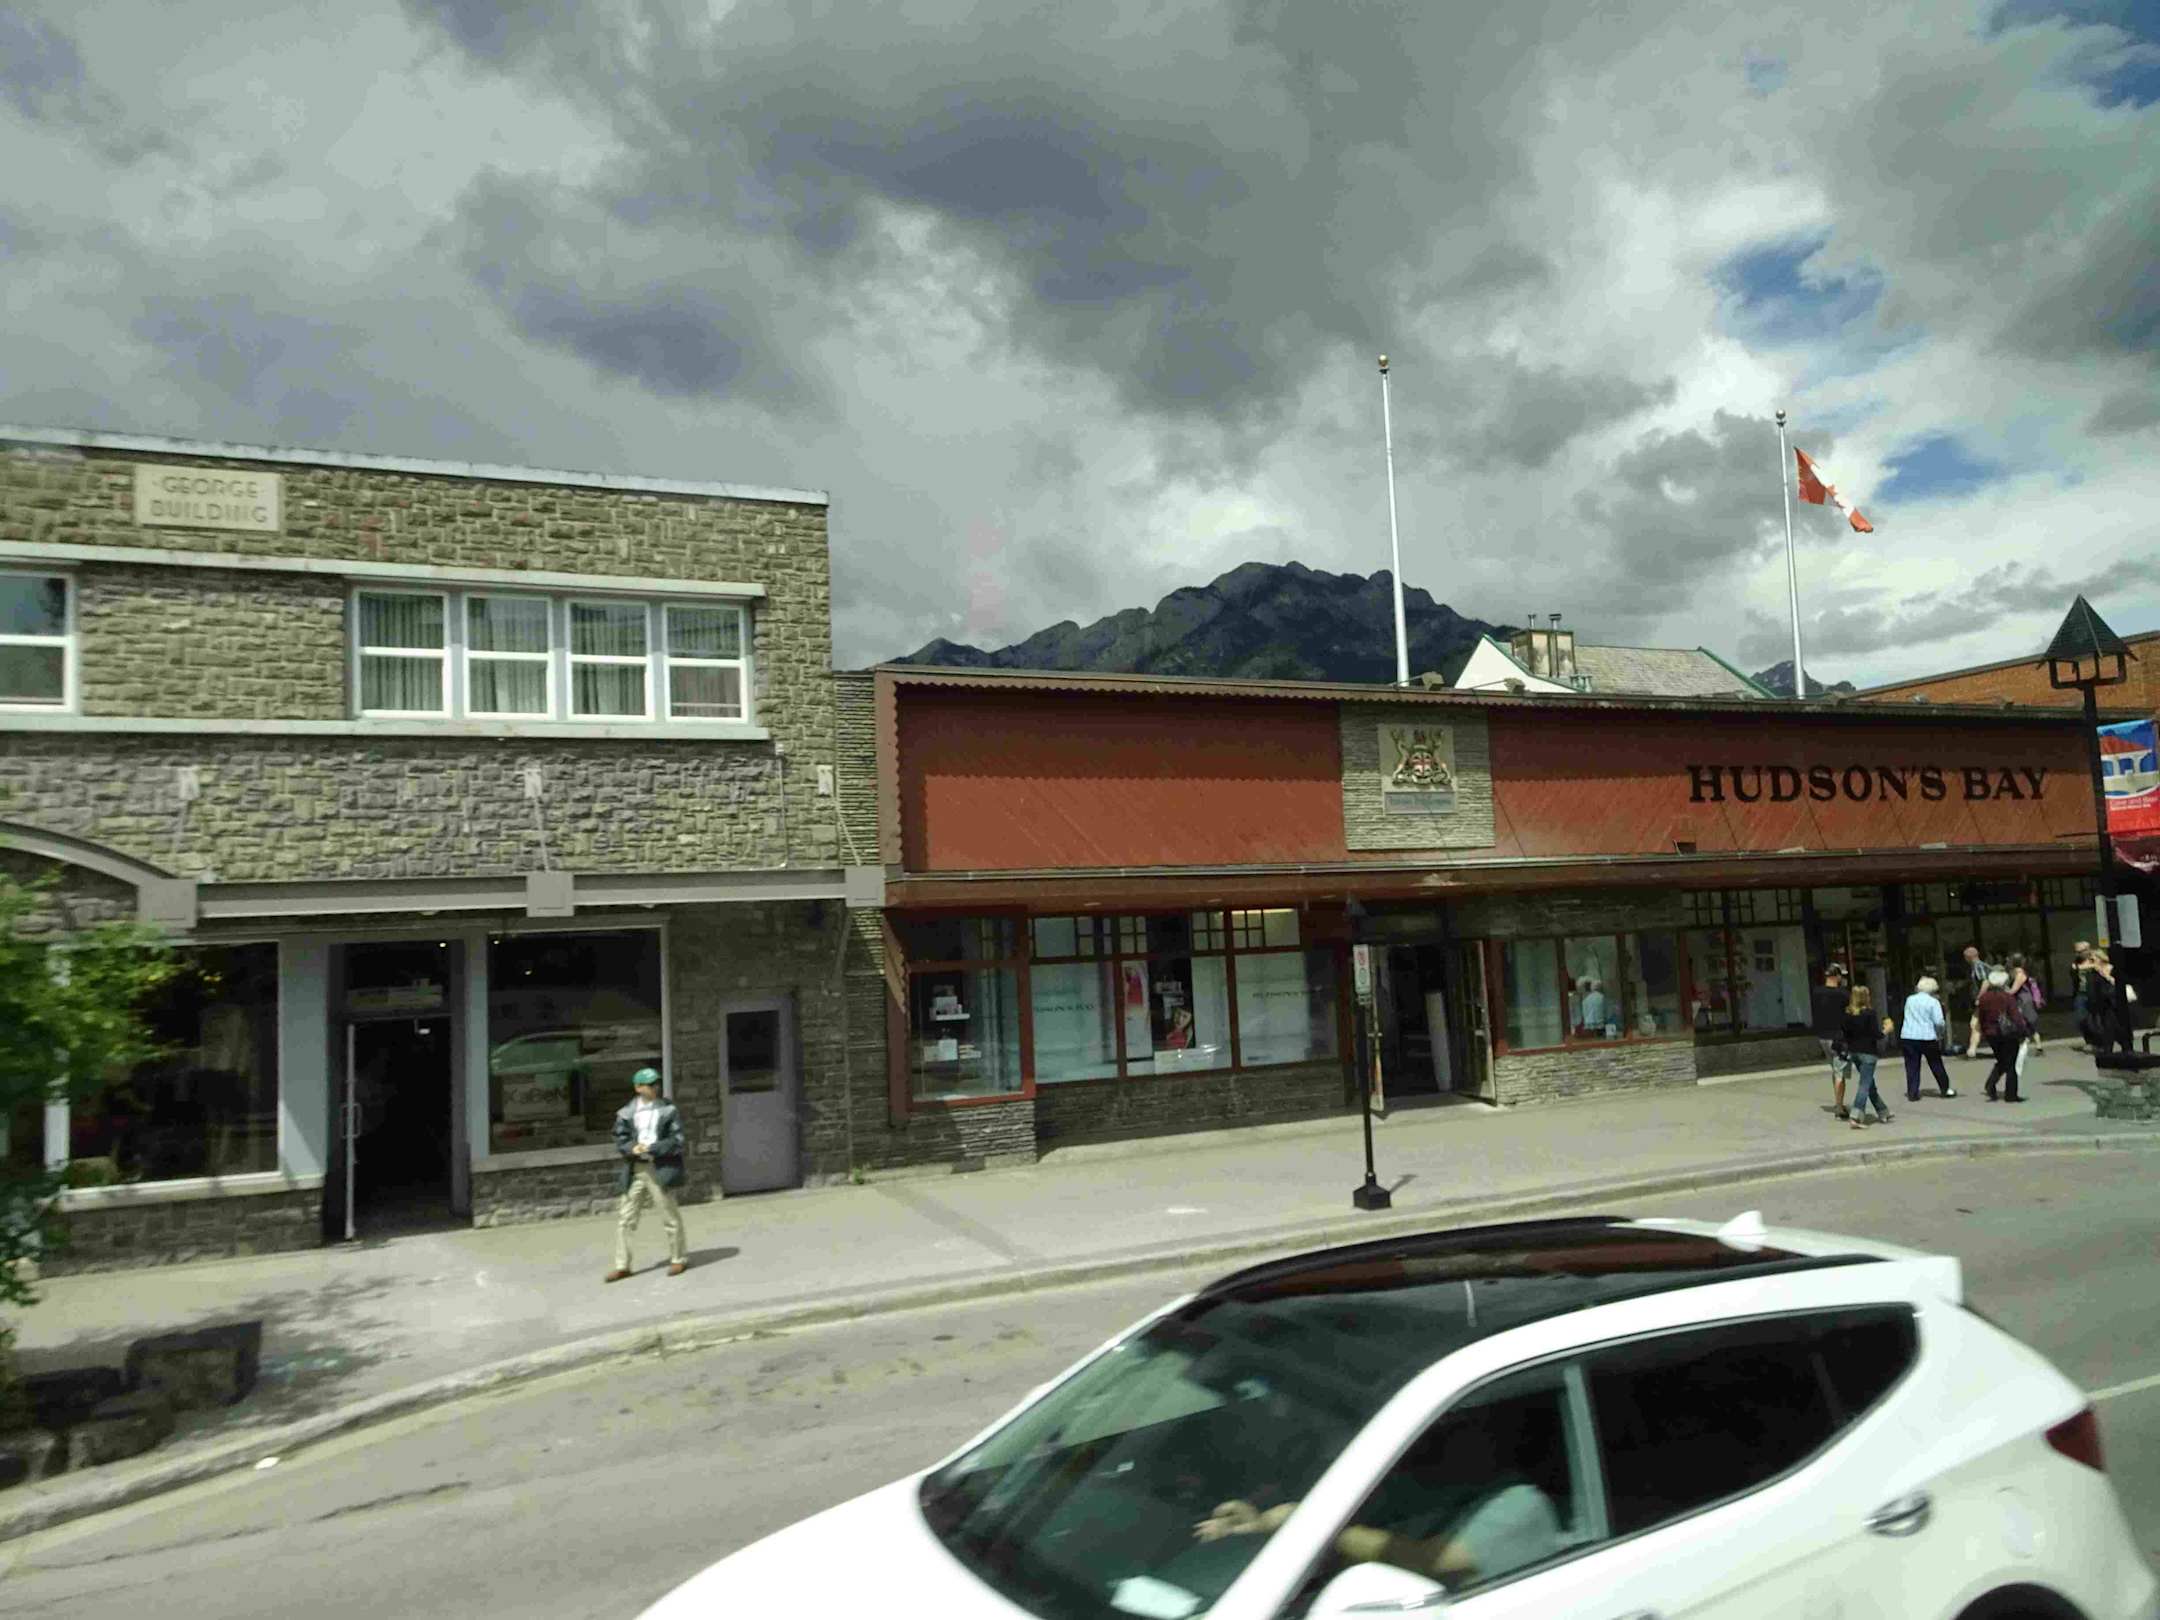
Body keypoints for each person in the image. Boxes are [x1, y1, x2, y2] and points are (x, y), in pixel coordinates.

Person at [1194, 1421, 1562, 1591]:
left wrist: (1307, 1524)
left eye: (1462, 1430)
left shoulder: (1520, 1503)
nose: (1440, 1442)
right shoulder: (1428, 1488)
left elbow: (1429, 1560)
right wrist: (1259, 1526)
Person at [606, 1066, 688, 1282]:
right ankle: (622, 1265)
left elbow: (677, 1141)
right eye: (650, 1085)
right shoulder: (626, 1113)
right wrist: (631, 1148)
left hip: (658, 1167)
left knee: (669, 1214)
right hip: (635, 1168)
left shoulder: (668, 1110)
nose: (655, 1088)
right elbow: (620, 1138)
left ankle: (678, 1258)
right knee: (626, 1218)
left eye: (656, 1084)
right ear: (638, 1087)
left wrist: (653, 1148)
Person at [1840, 986, 1893, 1127]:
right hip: (1868, 1053)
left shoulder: (1847, 1014)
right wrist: (1886, 1030)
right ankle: (1856, 1116)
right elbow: (1876, 1035)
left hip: (1854, 1052)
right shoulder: (1869, 1013)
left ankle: (1883, 1111)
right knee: (1864, 1084)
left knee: (1869, 1083)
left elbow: (1845, 1034)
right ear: (1866, 997)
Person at [1899, 974, 1958, 1101]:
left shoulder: (1910, 999)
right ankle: (1945, 1088)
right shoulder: (1933, 1002)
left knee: (1912, 1065)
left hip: (1909, 1035)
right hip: (1927, 1036)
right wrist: (1940, 1033)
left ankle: (1912, 1092)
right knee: (1936, 1063)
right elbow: (1938, 1022)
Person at [1810, 962, 1856, 1120]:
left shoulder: (1816, 992)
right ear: (1837, 976)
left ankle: (1839, 1102)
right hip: (1839, 1038)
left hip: (1823, 1036)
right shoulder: (1843, 994)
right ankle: (1839, 1108)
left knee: (1835, 1070)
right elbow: (1851, 1013)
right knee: (1840, 1073)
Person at [1977, 968, 2023, 1103]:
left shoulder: (1984, 998)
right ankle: (2011, 1095)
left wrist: (1984, 1031)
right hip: (2008, 1033)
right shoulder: (2007, 997)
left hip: (1991, 1033)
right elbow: (2015, 1016)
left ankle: (1991, 1084)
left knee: (2002, 1060)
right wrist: (2023, 1031)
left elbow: (1981, 1017)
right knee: (2011, 1065)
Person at [2006, 954, 2044, 1087]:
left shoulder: (2020, 974)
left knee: (2027, 1021)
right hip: (2022, 1000)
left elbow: (2014, 989)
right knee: (2028, 1022)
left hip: (2024, 1001)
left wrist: (2004, 992)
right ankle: (2036, 1045)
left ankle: (2032, 1044)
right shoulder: (2018, 972)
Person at [1960, 944, 1994, 1059]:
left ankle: (1972, 1050)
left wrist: (1979, 997)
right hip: (1987, 1000)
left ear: (1969, 957)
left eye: (1965, 957)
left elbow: (1985, 982)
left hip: (1985, 1000)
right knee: (1976, 1024)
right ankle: (1972, 1050)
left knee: (1976, 1024)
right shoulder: (1981, 965)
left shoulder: (1978, 966)